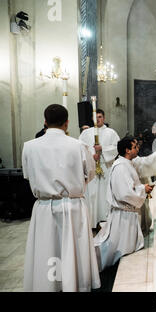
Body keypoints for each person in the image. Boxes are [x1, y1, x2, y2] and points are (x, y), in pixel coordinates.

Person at [22, 104, 100, 292]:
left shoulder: (29, 147)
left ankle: (49, 285)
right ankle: (76, 284)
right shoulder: (79, 146)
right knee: (74, 250)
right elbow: (90, 174)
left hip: (44, 206)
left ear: (45, 122)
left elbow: (27, 175)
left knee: (47, 250)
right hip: (73, 205)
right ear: (67, 123)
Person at [94, 137, 156, 271]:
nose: (137, 149)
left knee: (125, 245)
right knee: (119, 247)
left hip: (127, 214)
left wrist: (142, 187)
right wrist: (143, 189)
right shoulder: (121, 167)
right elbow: (124, 193)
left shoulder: (127, 163)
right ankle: (105, 268)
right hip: (123, 217)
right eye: (135, 147)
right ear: (127, 150)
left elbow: (130, 187)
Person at [79, 109, 120, 229]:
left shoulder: (111, 132)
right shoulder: (85, 133)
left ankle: (106, 220)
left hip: (105, 166)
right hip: (91, 168)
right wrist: (92, 156)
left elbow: (117, 147)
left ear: (104, 118)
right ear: (92, 119)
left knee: (105, 194)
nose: (97, 119)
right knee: (92, 195)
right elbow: (80, 149)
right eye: (95, 117)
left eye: (100, 117)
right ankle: (92, 221)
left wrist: (103, 149)